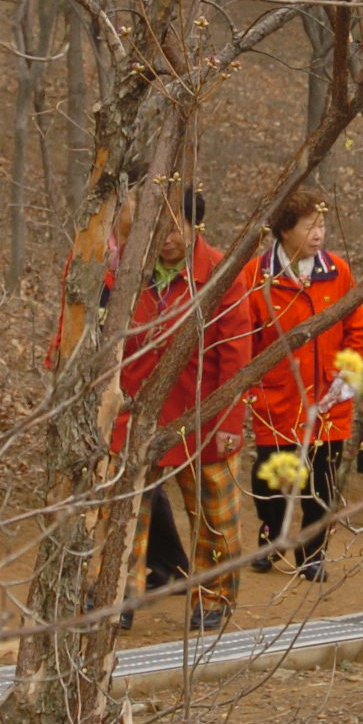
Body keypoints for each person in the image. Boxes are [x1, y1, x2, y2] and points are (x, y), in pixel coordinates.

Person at [113, 187, 247, 631]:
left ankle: (213, 596)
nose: (167, 237)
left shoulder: (223, 272)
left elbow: (235, 353)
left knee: (214, 514)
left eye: (177, 227)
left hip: (202, 411)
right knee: (126, 510)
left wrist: (228, 419)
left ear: (196, 227)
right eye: (159, 227)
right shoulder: (129, 270)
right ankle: (118, 594)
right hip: (139, 410)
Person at [236, 188, 363, 580]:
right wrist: (251, 386)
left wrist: (349, 372)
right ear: (284, 231)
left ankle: (313, 554)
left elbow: (357, 327)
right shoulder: (256, 275)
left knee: (322, 483)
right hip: (276, 398)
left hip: (330, 400)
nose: (318, 233)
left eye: (323, 224)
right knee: (269, 482)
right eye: (309, 225)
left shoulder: (338, 271)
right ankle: (270, 539)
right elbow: (243, 337)